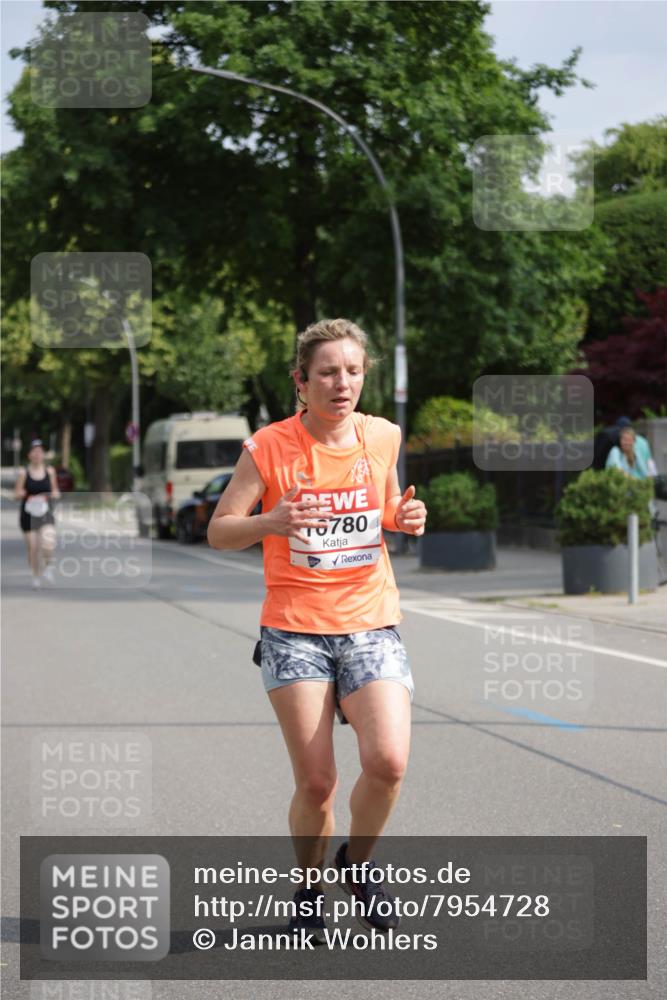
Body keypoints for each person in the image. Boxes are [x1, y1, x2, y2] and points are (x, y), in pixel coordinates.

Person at [207, 318, 427, 944]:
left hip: (370, 622)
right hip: (295, 631)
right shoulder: (269, 447)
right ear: (301, 383)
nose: (343, 383)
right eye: (328, 372)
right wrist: (270, 521)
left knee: (387, 762)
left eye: (353, 371)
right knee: (318, 782)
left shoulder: (381, 435)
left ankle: (356, 864)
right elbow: (220, 529)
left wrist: (405, 515)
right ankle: (309, 886)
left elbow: (387, 506)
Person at [14, 438, 60, 589]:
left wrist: (55, 494)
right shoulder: (23, 472)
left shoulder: (50, 471)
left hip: (45, 512)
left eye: (40, 452)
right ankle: (35, 575)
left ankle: (48, 567)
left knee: (48, 542)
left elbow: (54, 490)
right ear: (29, 455)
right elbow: (16, 494)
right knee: (33, 547)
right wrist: (21, 493)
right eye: (34, 452)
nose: (37, 454)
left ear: (43, 455)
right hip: (28, 514)